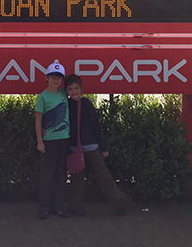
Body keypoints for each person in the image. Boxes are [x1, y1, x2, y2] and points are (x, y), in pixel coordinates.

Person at [64, 74, 130, 216]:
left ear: (81, 89)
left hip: (92, 146)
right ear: (66, 91)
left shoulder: (87, 105)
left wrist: (103, 147)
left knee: (103, 176)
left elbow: (97, 127)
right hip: (75, 148)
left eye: (76, 88)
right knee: (76, 179)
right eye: (70, 89)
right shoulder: (66, 105)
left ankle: (120, 202)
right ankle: (75, 206)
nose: (74, 91)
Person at [35, 59, 69, 220]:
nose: (56, 80)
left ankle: (59, 206)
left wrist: (86, 99)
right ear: (46, 77)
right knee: (47, 175)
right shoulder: (42, 97)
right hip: (49, 141)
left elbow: (76, 96)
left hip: (64, 140)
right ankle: (44, 206)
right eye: (53, 76)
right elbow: (38, 120)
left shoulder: (64, 93)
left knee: (61, 174)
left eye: (59, 77)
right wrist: (39, 141)